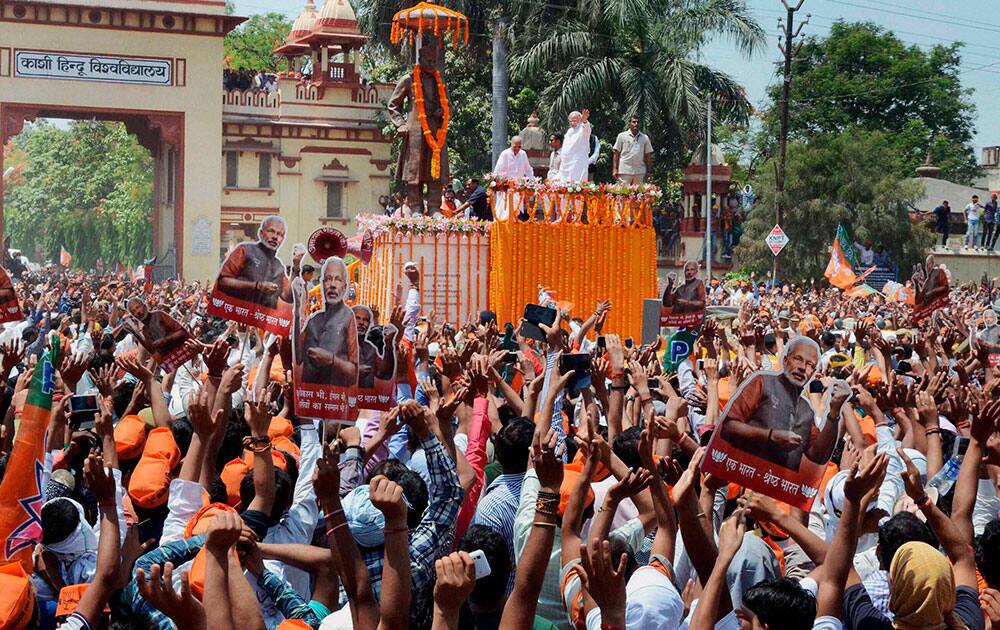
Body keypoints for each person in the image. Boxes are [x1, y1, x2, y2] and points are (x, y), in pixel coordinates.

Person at [720, 337, 849, 469]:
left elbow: (818, 456)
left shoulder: (806, 410)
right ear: (785, 360)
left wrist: (834, 413)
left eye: (810, 365)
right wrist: (769, 436)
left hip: (777, 485)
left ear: (813, 373)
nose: (802, 368)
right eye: (798, 359)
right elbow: (728, 427)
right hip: (745, 477)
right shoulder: (762, 383)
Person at [387, 40, 449, 216]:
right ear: (420, 60)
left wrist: (442, 111)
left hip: (436, 132)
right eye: (429, 61)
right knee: (414, 170)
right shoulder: (408, 79)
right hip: (415, 131)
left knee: (435, 170)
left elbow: (450, 107)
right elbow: (393, 105)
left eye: (434, 61)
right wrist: (400, 124)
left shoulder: (439, 82)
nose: (432, 65)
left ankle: (435, 207)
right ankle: (415, 207)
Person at [292, 256, 359, 387]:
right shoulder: (313, 320)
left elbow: (354, 372)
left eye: (337, 280)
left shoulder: (348, 316)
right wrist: (297, 310)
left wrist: (331, 360)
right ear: (322, 285)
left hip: (334, 397)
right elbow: (298, 359)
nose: (332, 285)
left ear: (345, 287)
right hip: (310, 396)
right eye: (328, 279)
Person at [216, 216, 301, 309]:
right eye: (271, 231)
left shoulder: (279, 266)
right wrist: (257, 286)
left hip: (261, 319)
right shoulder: (245, 250)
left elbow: (287, 297)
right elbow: (223, 281)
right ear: (261, 233)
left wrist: (296, 267)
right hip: (236, 315)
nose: (275, 237)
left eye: (280, 234)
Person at [124, 297, 190, 364]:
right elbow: (153, 351)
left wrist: (165, 339)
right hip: (171, 361)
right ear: (134, 316)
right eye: (133, 312)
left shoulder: (159, 314)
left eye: (138, 307)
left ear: (144, 305)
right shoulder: (144, 330)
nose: (137, 312)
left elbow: (183, 332)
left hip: (184, 353)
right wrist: (134, 332)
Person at [352, 304, 395, 389]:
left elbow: (384, 374)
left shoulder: (370, 348)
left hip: (365, 399)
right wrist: (354, 372)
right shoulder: (337, 343)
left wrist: (388, 344)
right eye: (357, 318)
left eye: (366, 320)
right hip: (339, 398)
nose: (361, 323)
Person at [611, 116, 653, 184]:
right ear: (629, 123)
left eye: (638, 122)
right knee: (623, 193)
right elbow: (616, 153)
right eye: (634, 122)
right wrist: (615, 169)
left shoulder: (645, 138)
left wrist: (649, 171)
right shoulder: (621, 136)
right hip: (625, 170)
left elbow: (648, 155)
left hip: (640, 171)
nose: (636, 124)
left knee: (639, 193)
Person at [557, 109, 591, 183]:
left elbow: (587, 129)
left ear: (580, 120)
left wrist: (585, 121)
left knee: (576, 184)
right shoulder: (569, 131)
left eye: (574, 120)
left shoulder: (583, 129)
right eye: (570, 121)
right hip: (566, 163)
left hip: (577, 162)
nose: (572, 123)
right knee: (563, 183)